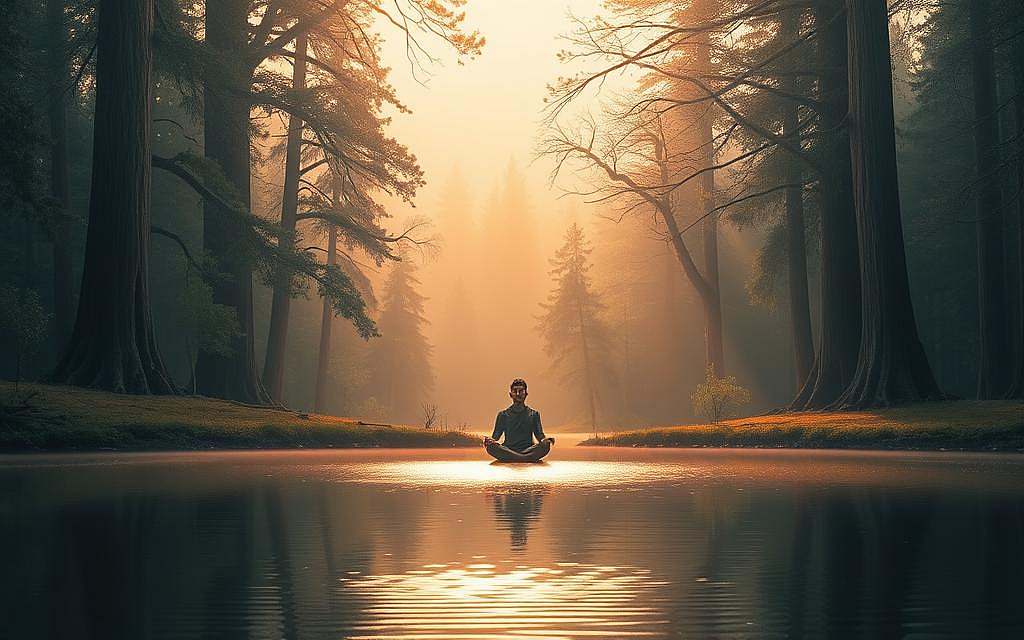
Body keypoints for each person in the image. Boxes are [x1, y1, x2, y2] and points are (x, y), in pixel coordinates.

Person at [483, 378, 555, 462]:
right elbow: (495, 436)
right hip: (509, 450)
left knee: (545, 445)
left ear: (526, 394)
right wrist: (490, 441)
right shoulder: (503, 415)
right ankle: (525, 458)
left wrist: (545, 440)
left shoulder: (534, 414)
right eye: (515, 391)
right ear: (510, 394)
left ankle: (516, 458)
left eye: (521, 391)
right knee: (492, 447)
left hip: (528, 449)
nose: (518, 394)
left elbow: (540, 435)